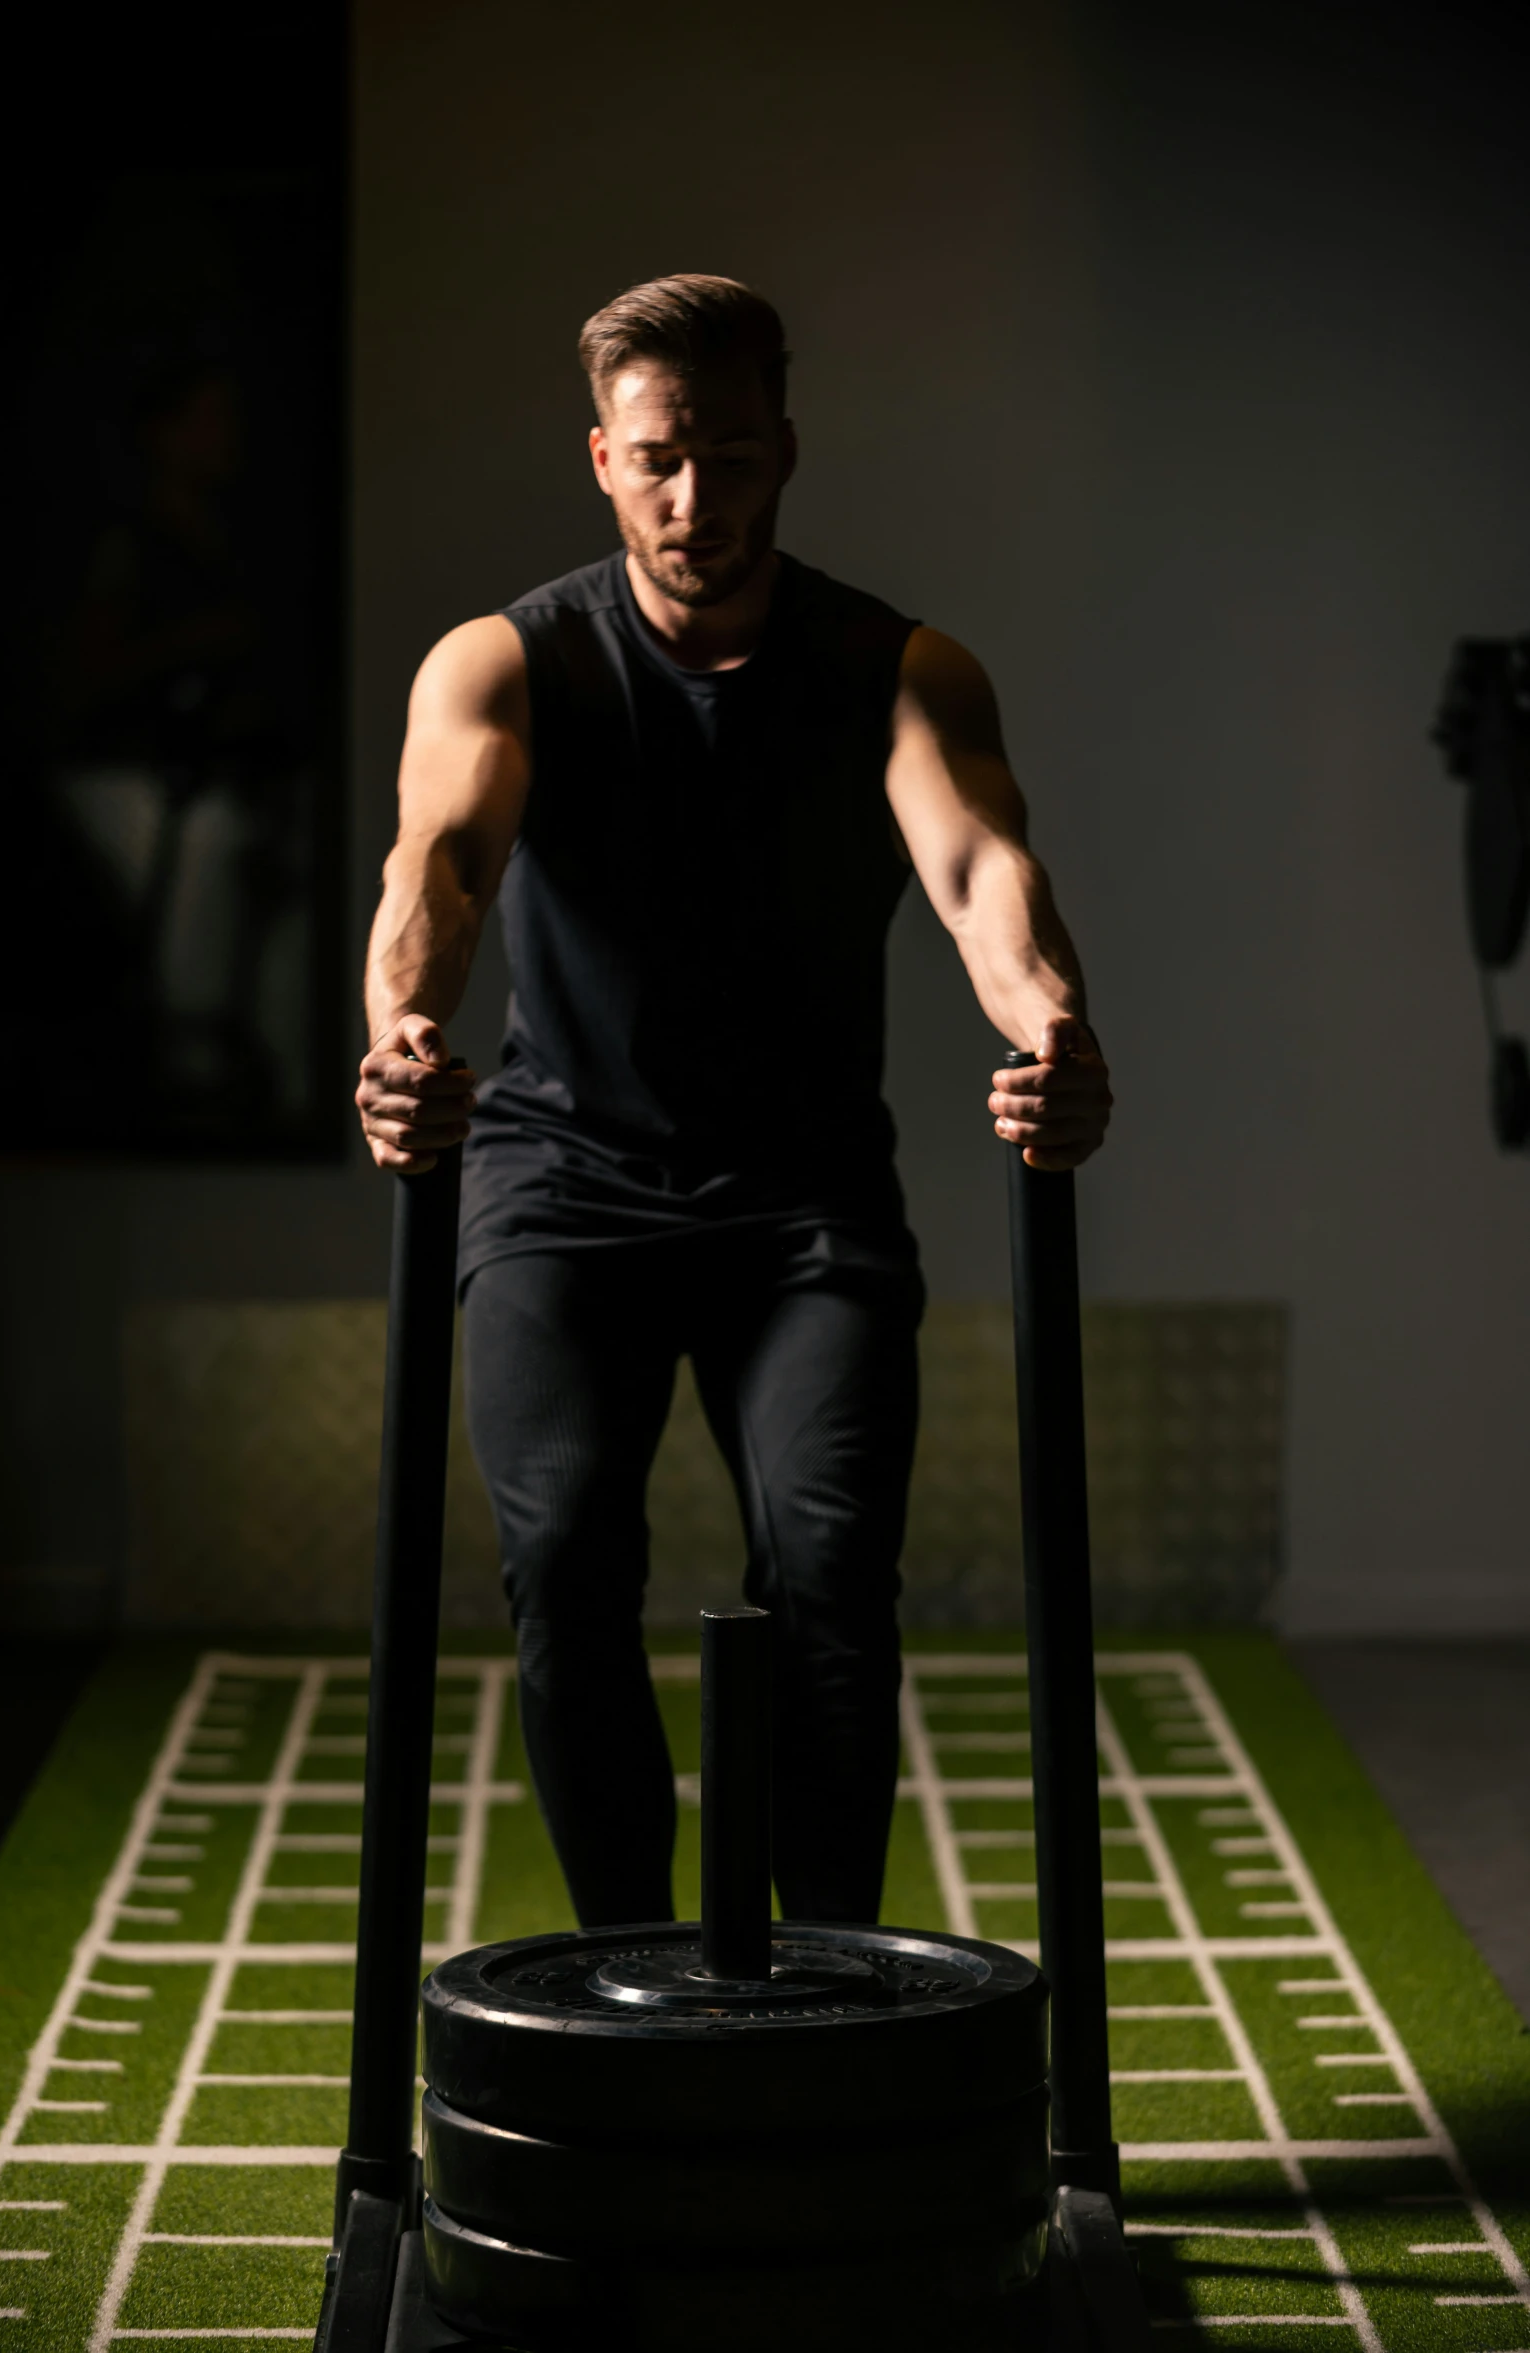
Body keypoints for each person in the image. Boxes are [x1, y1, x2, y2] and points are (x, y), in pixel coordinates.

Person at [355, 275, 1111, 1930]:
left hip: (804, 1198)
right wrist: (403, 1026)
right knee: (562, 1570)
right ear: (602, 461)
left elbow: (979, 868)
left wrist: (1051, 1026)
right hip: (564, 1185)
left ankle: (822, 1979)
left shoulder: (900, 667)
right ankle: (631, 1973)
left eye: (734, 456)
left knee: (833, 1581)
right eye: (659, 461)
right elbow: (445, 859)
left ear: (787, 452)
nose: (697, 500)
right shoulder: (506, 661)